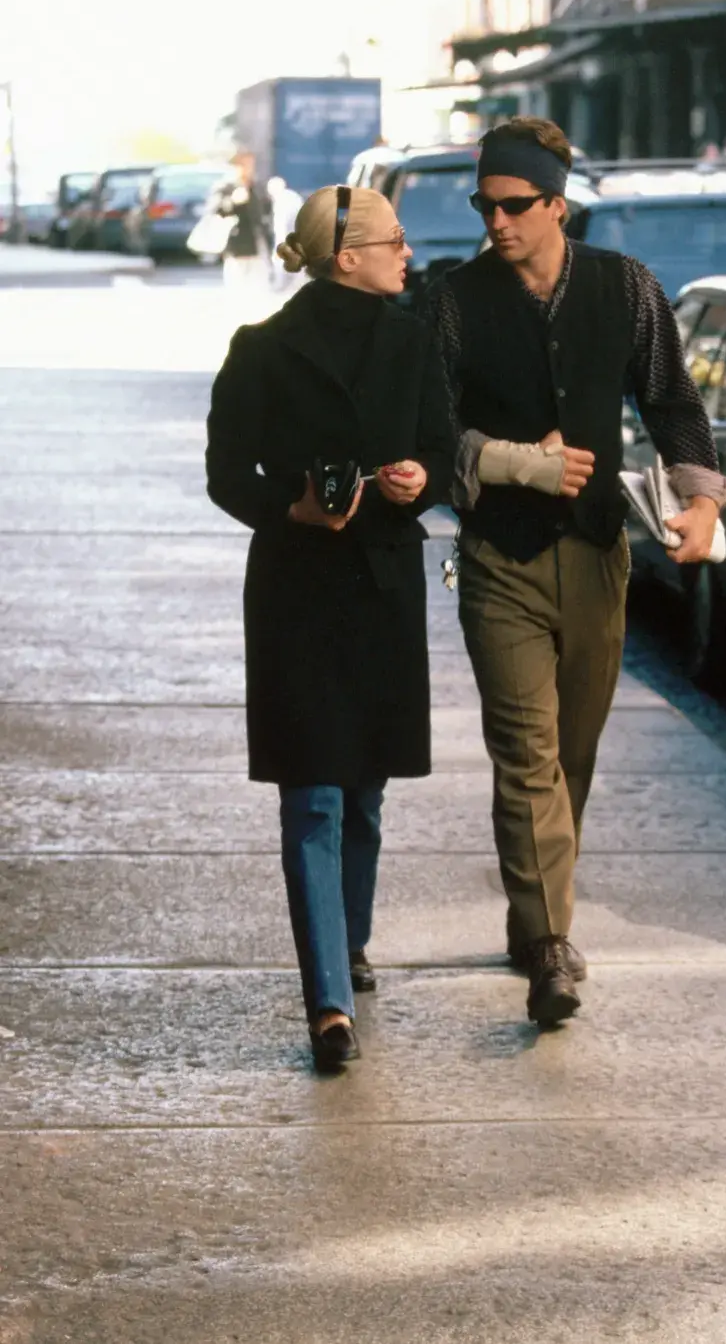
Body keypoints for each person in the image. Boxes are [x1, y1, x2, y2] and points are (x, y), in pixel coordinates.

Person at [430, 117, 726, 1028]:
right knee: (526, 755)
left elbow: (673, 401)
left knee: (571, 756)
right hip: (500, 558)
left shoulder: (627, 288)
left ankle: (537, 915)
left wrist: (703, 501)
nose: (496, 222)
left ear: (558, 205)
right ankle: (551, 947)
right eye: (484, 205)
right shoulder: (453, 301)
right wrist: (509, 460)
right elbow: (426, 429)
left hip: (600, 554)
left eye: (514, 206)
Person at [205, 186, 453, 1071]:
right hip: (297, 587)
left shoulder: (414, 339)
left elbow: (444, 448)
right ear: (346, 255)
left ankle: (348, 943)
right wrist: (296, 505)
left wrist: (420, 478)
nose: (407, 254)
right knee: (312, 792)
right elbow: (226, 473)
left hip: (383, 582)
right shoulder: (263, 350)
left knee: (366, 791)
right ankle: (329, 1004)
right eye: (393, 242)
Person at [216, 152, 274, 297]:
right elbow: (215, 210)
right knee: (237, 286)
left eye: (250, 165)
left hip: (258, 243)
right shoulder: (226, 186)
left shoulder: (257, 186)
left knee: (259, 287)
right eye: (244, 165)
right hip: (236, 244)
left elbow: (266, 210)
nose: (248, 169)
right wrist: (231, 202)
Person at [267, 175, 303, 290]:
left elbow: (281, 224)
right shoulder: (293, 196)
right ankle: (297, 285)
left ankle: (280, 285)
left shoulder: (281, 200)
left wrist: (280, 242)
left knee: (279, 260)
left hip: (288, 236)